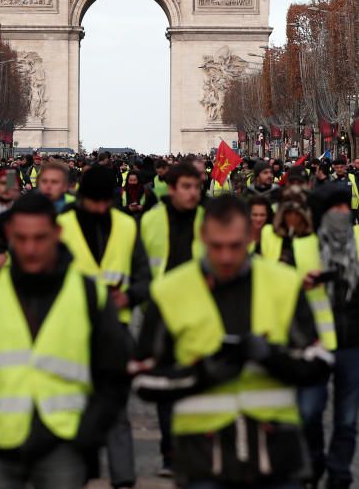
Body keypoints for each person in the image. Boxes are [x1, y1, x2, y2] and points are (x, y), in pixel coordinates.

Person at [134, 194, 332, 489]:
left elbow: (322, 363)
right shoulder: (169, 291)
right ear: (202, 236)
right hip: (202, 460)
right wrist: (202, 375)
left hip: (276, 455)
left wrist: (271, 357)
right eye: (216, 246)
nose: (226, 257)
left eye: (235, 246)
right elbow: (143, 380)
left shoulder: (284, 284)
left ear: (251, 237)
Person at [0, 192, 130, 489]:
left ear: (57, 233)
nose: (30, 249)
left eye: (40, 238)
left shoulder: (88, 294)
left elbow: (113, 374)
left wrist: (88, 434)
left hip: (65, 442)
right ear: (9, 234)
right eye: (21, 238)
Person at [58, 165, 151, 489]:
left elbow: (143, 277)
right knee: (76, 406)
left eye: (104, 201)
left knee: (116, 406)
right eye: (93, 202)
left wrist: (129, 296)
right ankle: (82, 471)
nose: (99, 209)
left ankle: (123, 478)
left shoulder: (127, 226)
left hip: (116, 329)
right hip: (72, 331)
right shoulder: (61, 227)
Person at [140, 161, 204, 477]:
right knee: (167, 386)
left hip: (200, 312)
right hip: (163, 310)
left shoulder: (210, 220)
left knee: (197, 383)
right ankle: (171, 452)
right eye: (187, 186)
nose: (193, 193)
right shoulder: (149, 221)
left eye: (198, 186)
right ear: (171, 187)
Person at [298, 183, 359, 489]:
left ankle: (339, 473)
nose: (342, 213)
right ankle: (313, 461)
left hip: (352, 342)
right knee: (309, 412)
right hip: (315, 341)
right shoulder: (303, 246)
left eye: (346, 208)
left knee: (347, 420)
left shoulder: (358, 243)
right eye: (336, 208)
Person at [331, 155, 359, 224]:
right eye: (337, 167)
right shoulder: (331, 179)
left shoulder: (352, 177)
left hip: (352, 210)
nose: (339, 169)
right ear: (334, 168)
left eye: (341, 167)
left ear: (345, 167)